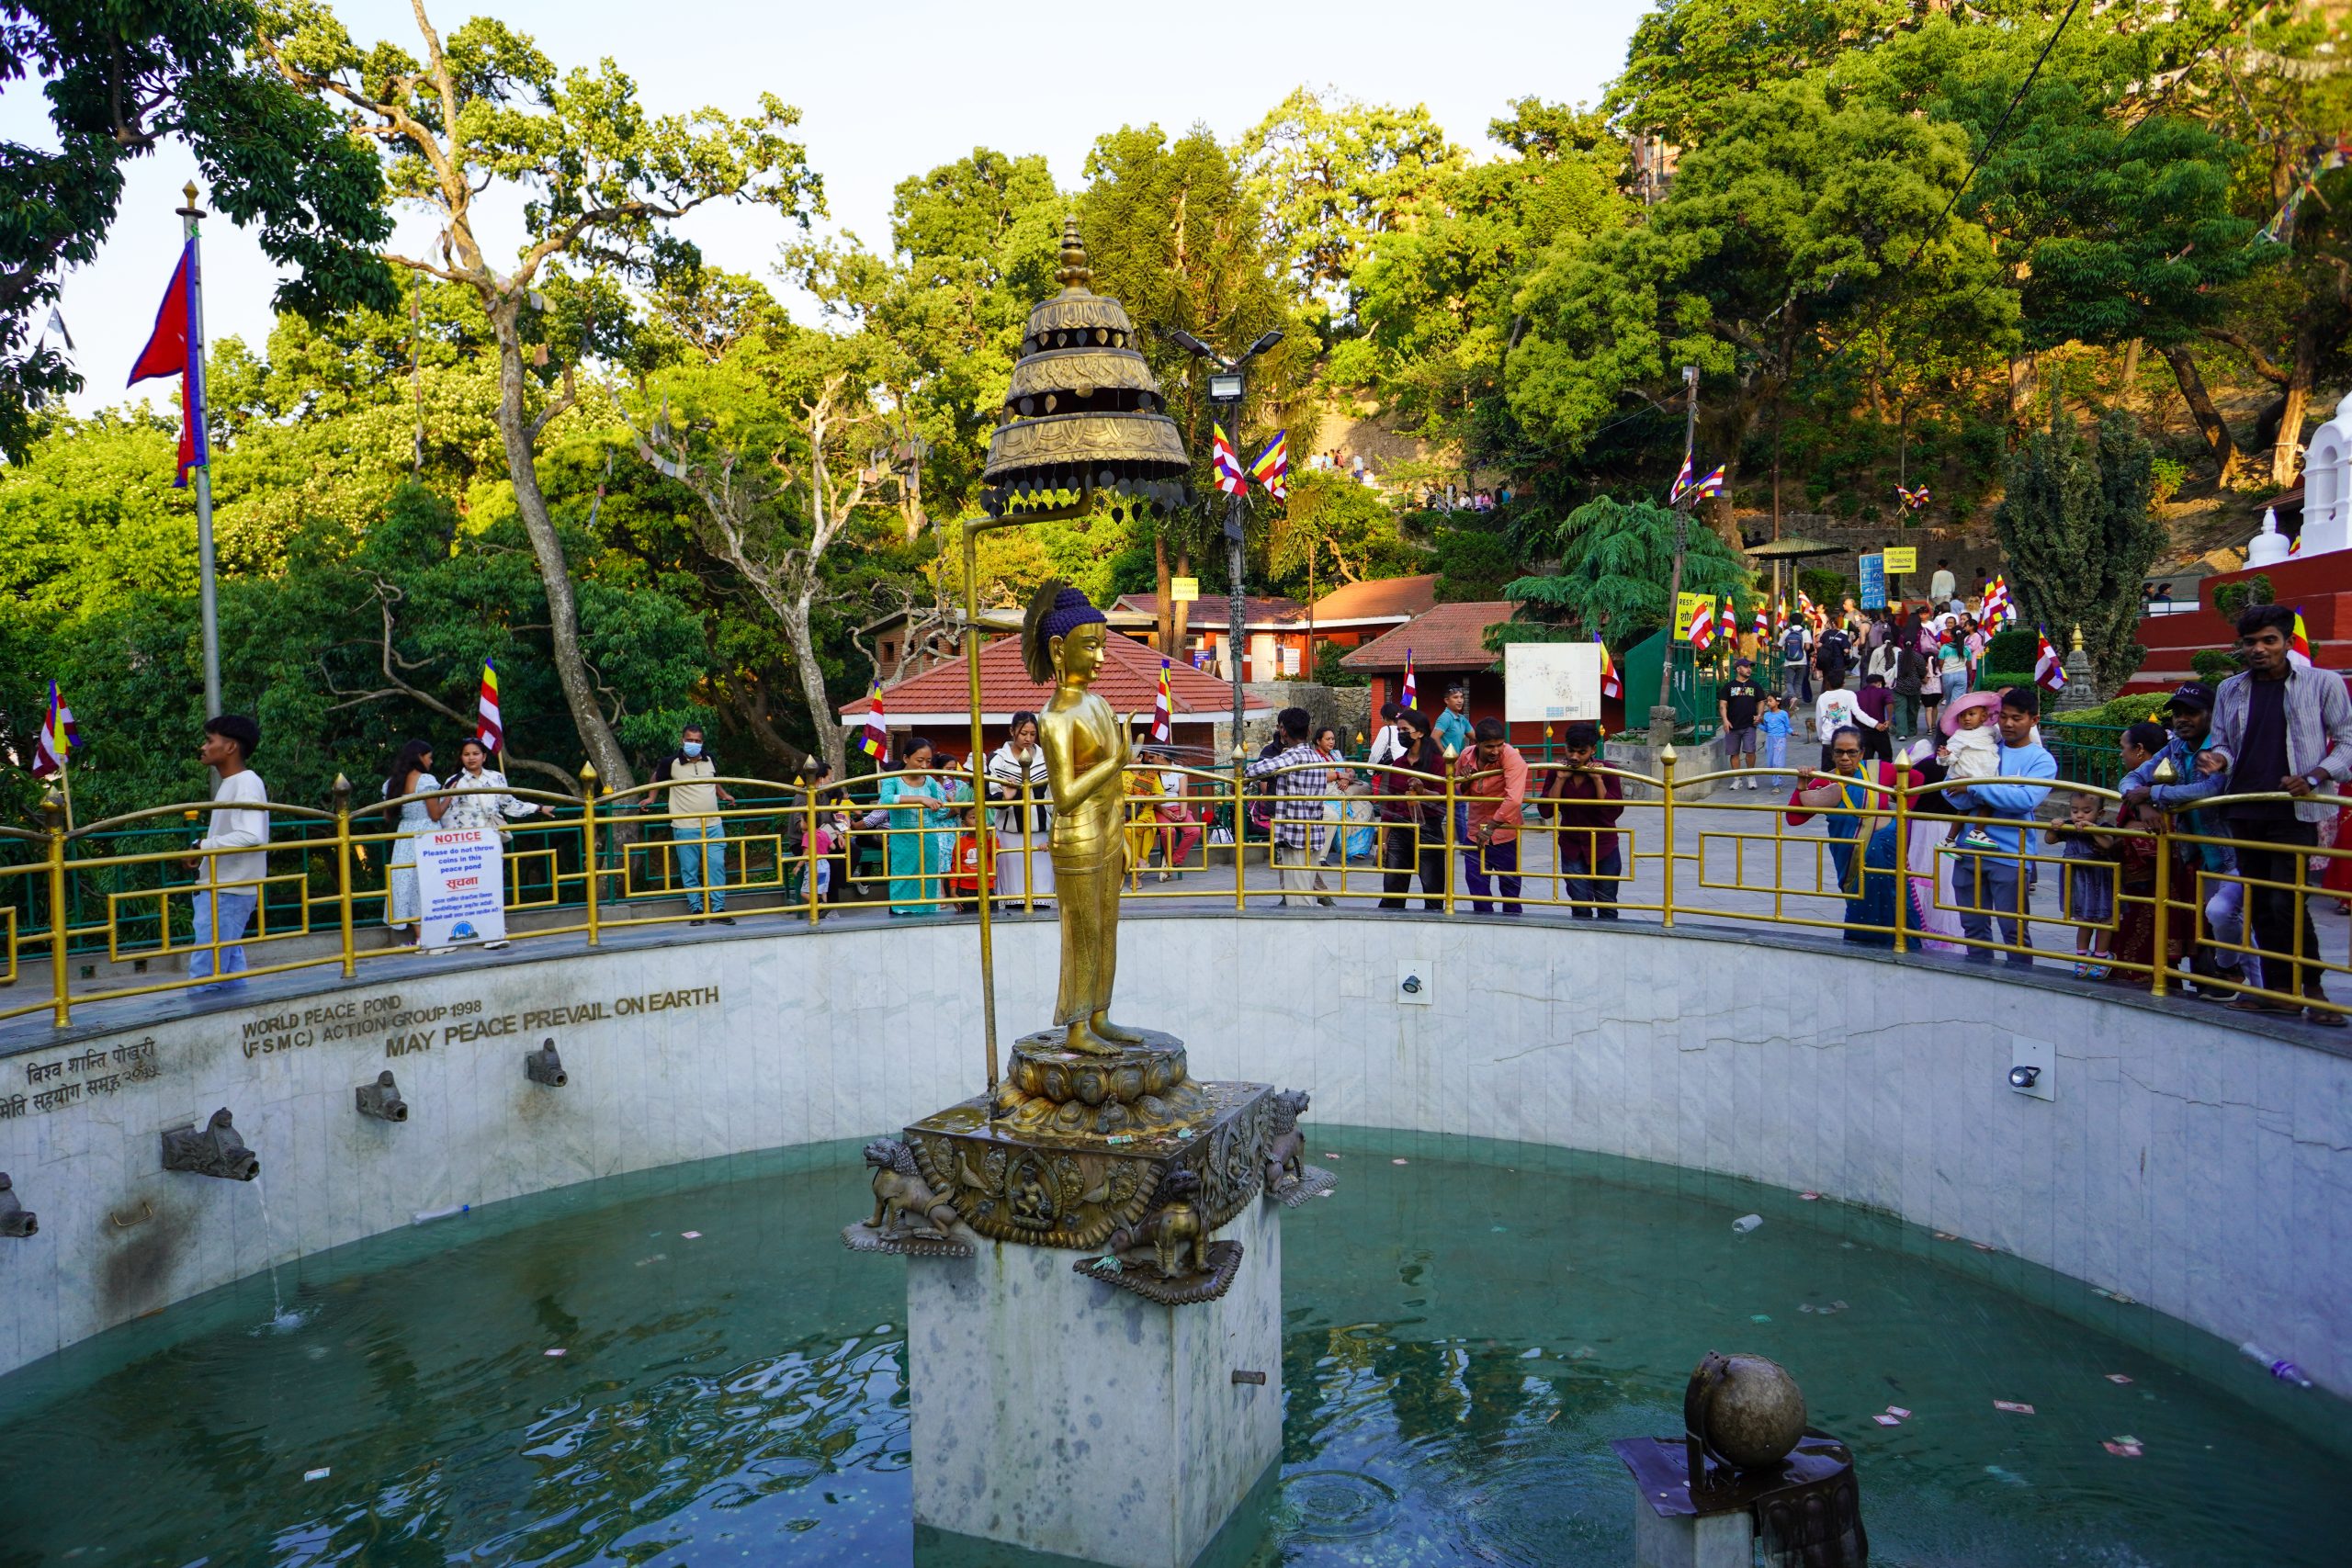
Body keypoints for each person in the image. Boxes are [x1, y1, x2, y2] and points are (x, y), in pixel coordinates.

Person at [2198, 604, 2352, 1021]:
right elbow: (2226, 743)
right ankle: (2280, 990)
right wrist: (2218, 760)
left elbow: (2347, 742)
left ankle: (2315, 990)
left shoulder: (2323, 683)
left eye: (2269, 641)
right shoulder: (2231, 689)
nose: (2260, 649)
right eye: (2251, 642)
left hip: (2295, 809)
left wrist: (2316, 775)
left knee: (2289, 901)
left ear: (2286, 642)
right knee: (2262, 902)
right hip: (2245, 807)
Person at [2119, 682, 2248, 998]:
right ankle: (2242, 983)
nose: (2182, 719)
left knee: (2225, 915)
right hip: (2200, 856)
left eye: (2191, 712)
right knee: (2219, 918)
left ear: (2210, 715)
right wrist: (2144, 803)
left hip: (2235, 850)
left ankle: (2236, 975)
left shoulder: (2221, 748)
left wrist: (2154, 792)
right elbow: (2130, 779)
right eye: (2177, 713)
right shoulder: (2175, 748)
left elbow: (2208, 790)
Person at [1942, 685, 2058, 965]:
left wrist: (1973, 787)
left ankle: (2020, 986)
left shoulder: (2041, 760)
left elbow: (2022, 800)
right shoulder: (1984, 744)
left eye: (2016, 718)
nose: (2007, 723)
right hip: (1968, 850)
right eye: (2003, 716)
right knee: (1972, 926)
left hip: (2009, 853)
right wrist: (1976, 789)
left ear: (2034, 720)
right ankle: (1978, 979)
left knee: (2013, 930)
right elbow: (1950, 792)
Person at [1793, 728, 1900, 943]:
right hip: (1850, 858)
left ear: (1862, 753)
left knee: (1894, 902)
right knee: (1859, 902)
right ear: (1831, 754)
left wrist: (1897, 818)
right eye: (1839, 752)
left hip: (1886, 855)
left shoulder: (1880, 771)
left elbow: (1916, 780)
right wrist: (1801, 785)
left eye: (1851, 752)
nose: (1845, 758)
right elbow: (1794, 819)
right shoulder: (1825, 781)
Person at [187, 714, 268, 992]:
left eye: (210, 741)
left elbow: (251, 834)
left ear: (230, 747)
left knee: (205, 971)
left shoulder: (246, 782)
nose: (204, 747)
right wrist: (202, 846)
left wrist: (203, 847)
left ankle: (200, 1029)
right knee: (229, 967)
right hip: (226, 887)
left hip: (229, 889)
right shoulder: (233, 783)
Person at [440, 738, 541, 949]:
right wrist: (451, 843)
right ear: (461, 757)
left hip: (490, 838)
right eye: (466, 754)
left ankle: (494, 932)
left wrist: (538, 808)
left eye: (475, 753)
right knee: (466, 886)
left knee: (492, 884)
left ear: (484, 756)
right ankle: (466, 930)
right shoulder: (454, 781)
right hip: (464, 843)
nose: (471, 758)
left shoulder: (496, 778)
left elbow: (509, 804)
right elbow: (447, 814)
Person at [1245, 706, 1336, 906]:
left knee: (1299, 897)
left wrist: (1243, 774)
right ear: (1309, 732)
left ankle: (1304, 934)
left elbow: (1255, 770)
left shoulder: (1293, 757)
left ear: (1283, 731)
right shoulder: (1316, 758)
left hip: (1295, 836)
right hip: (1313, 833)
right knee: (1305, 891)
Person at [650, 723, 735, 926]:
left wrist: (724, 795)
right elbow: (656, 778)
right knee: (689, 869)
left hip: (713, 824)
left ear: (702, 742)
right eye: (690, 740)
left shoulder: (709, 759)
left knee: (716, 866)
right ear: (683, 740)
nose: (693, 744)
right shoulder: (670, 763)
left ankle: (718, 909)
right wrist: (651, 798)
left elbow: (714, 780)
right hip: (685, 825)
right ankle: (696, 909)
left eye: (697, 741)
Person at [380, 738, 449, 949]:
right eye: (429, 758)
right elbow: (435, 814)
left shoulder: (392, 783)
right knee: (427, 884)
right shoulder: (426, 781)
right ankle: (431, 937)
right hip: (426, 834)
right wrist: (449, 796)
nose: (431, 762)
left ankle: (420, 937)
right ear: (420, 757)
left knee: (408, 884)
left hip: (405, 835)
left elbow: (386, 815)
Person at [1455, 717, 1529, 914]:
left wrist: (1490, 828)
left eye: (1499, 745)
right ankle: (1484, 928)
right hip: (1474, 833)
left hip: (1505, 833)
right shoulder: (1465, 756)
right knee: (1477, 889)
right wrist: (1465, 781)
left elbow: (1514, 799)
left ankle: (1512, 929)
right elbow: (1458, 790)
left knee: (1510, 890)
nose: (1495, 751)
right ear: (1477, 743)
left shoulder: (1511, 756)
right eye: (1489, 746)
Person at [1550, 721, 1623, 918]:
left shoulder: (1608, 771)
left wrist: (1597, 780)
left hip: (1604, 845)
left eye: (1581, 752)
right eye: (1570, 750)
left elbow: (1612, 813)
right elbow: (1546, 810)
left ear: (1592, 750)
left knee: (1607, 904)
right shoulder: (1557, 770)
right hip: (1572, 845)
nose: (1574, 757)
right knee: (1579, 903)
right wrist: (1560, 779)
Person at [2043, 790, 2119, 979]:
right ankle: (2082, 956)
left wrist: (2092, 829)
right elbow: (2049, 840)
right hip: (2077, 879)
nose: (2079, 815)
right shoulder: (2069, 827)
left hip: (2100, 879)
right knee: (2084, 921)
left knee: (2104, 919)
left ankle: (2101, 956)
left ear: (2099, 813)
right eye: (2075, 810)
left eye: (2086, 811)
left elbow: (2107, 844)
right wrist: (2054, 827)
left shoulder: (2104, 826)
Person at [1377, 707, 1446, 909]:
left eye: (1405, 730)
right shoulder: (1398, 764)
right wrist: (1383, 841)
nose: (1401, 735)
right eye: (1398, 731)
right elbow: (1388, 807)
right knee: (1392, 891)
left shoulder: (1437, 762)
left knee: (1433, 891)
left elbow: (1444, 797)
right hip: (1399, 831)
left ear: (1420, 732)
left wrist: (1422, 791)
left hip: (1428, 829)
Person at [878, 735, 953, 917]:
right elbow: (885, 800)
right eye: (919, 760)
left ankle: (928, 913)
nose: (924, 766)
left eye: (928, 761)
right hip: (903, 840)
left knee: (928, 879)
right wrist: (919, 799)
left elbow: (941, 811)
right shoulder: (893, 779)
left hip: (928, 839)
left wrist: (944, 803)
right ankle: (900, 913)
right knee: (903, 878)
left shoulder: (930, 782)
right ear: (906, 758)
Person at [988, 711, 1054, 908]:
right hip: (1010, 831)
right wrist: (1005, 796)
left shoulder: (1046, 758)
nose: (1028, 738)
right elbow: (989, 795)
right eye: (1023, 733)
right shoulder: (998, 759)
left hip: (1041, 830)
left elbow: (1053, 796)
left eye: (1032, 734)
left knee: (1041, 889)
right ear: (1012, 731)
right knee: (1014, 892)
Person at [1152, 751, 1202, 881]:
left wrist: (1183, 812)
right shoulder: (1151, 771)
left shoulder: (1179, 770)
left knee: (1194, 831)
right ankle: (1169, 860)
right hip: (1159, 808)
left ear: (1161, 756)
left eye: (1153, 757)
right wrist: (1164, 811)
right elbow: (1150, 797)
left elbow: (1183, 793)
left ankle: (1171, 862)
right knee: (1169, 831)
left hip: (1178, 807)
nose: (1151, 760)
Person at [1313, 726, 1357, 867]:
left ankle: (1355, 850)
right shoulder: (1314, 757)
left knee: (1365, 809)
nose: (1331, 742)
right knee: (1337, 814)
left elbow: (1351, 770)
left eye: (1333, 739)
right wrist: (1339, 775)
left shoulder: (1336, 755)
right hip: (1324, 794)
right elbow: (1318, 777)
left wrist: (1346, 778)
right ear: (1318, 741)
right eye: (1328, 739)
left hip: (1340, 792)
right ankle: (1321, 856)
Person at [1718, 659, 1763, 787]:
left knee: (1750, 751)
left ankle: (1751, 777)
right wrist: (1725, 720)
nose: (1749, 669)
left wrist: (1759, 715)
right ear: (1738, 669)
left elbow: (1761, 701)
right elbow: (1722, 705)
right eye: (1746, 666)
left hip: (1749, 724)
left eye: (1750, 666)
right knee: (1734, 753)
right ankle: (1737, 779)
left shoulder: (1755, 686)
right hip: (1732, 725)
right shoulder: (1728, 687)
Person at [1814, 682, 1865, 770]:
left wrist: (1821, 737)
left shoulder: (1822, 697)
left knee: (1828, 774)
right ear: (1843, 683)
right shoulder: (1849, 694)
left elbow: (1819, 720)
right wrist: (1875, 723)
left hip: (1828, 740)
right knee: (1849, 770)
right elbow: (1858, 713)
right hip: (1846, 739)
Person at [1854, 673, 1896, 763]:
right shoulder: (1883, 692)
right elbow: (1890, 702)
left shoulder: (1857, 694)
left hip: (1863, 732)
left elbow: (1854, 713)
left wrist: (1859, 725)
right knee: (1886, 758)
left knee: (1865, 760)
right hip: (1880, 730)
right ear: (1879, 683)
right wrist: (1888, 720)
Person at [1758, 693, 1793, 788]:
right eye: (1767, 701)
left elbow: (1787, 727)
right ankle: (1775, 779)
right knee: (1770, 763)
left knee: (1777, 762)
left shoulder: (1783, 714)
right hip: (1769, 740)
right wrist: (1757, 724)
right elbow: (1766, 729)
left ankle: (1777, 784)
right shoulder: (1766, 715)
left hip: (1780, 740)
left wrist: (1792, 732)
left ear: (1777, 702)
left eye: (1770, 700)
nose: (1768, 703)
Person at [1780, 616, 1813, 706]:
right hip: (1802, 661)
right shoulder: (1805, 632)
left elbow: (1780, 645)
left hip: (1789, 661)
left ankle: (1792, 697)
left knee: (1788, 681)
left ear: (1791, 621)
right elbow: (1807, 647)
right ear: (1801, 621)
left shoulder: (1786, 632)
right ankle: (1795, 699)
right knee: (1799, 681)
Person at [1814, 619, 1852, 693]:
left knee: (1826, 680)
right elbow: (1846, 650)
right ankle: (1836, 698)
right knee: (1837, 681)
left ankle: (1824, 697)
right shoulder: (1843, 636)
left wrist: (1824, 629)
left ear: (1833, 624)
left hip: (1826, 662)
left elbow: (1818, 645)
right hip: (1838, 663)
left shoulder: (1826, 633)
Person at [1368, 701, 1405, 767]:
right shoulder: (1405, 729)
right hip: (1408, 768)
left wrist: (1370, 769)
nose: (1381, 719)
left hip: (1394, 770)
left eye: (1382, 716)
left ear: (1385, 717)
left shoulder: (1386, 730)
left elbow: (1375, 754)